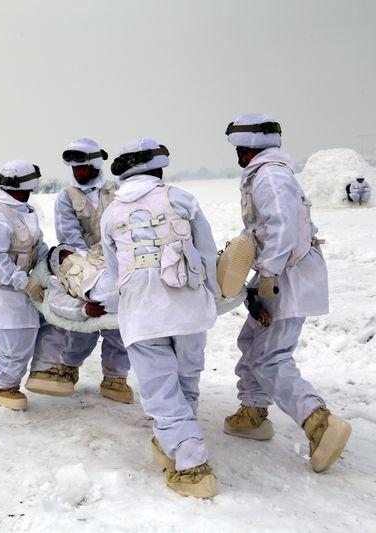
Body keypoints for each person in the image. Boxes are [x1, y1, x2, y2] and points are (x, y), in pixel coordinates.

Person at [224, 114, 351, 473]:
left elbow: (282, 230)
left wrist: (266, 279)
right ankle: (252, 410)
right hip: (280, 270)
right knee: (253, 340)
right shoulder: (267, 173)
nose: (236, 154)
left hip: (285, 275)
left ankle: (318, 422)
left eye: (238, 148)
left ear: (249, 148)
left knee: (270, 357)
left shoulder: (270, 176)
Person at [101, 138, 220, 498]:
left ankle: (192, 467)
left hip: (143, 314)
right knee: (185, 381)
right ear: (158, 169)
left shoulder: (111, 214)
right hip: (189, 309)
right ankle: (176, 443)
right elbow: (209, 254)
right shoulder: (182, 199)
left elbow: (111, 276)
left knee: (161, 392)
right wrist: (213, 295)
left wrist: (103, 306)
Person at [0, 160, 66, 410]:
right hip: (1, 290)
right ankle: (4, 387)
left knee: (49, 323)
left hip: (22, 286)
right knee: (15, 343)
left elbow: (37, 246)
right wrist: (22, 281)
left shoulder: (25, 211)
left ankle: (42, 373)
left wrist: (54, 258)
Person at [54, 138, 132, 403]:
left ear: (95, 165)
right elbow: (69, 236)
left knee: (118, 321)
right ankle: (68, 368)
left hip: (118, 262)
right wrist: (89, 267)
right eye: (74, 168)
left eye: (83, 167)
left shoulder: (117, 190)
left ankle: (115, 377)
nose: (78, 172)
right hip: (83, 266)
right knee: (82, 322)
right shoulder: (66, 196)